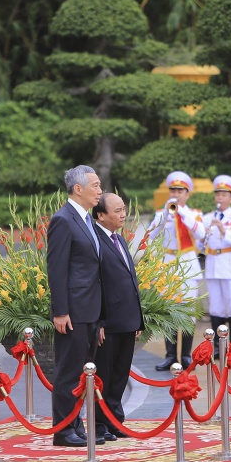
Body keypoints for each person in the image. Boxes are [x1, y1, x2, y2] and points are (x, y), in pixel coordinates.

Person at [46, 165, 104, 447]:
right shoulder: (63, 220)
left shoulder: (86, 219)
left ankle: (76, 424)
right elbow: (57, 269)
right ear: (78, 189)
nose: (100, 191)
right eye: (95, 185)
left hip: (90, 309)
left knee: (85, 370)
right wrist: (60, 310)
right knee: (69, 370)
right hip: (73, 311)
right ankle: (63, 430)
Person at [92, 193, 144, 441]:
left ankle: (115, 420)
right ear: (101, 215)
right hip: (108, 322)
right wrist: (99, 320)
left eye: (124, 209)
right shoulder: (94, 241)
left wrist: (138, 318)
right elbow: (94, 283)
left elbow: (130, 280)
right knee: (104, 373)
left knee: (120, 374)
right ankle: (99, 424)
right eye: (118, 210)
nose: (123, 214)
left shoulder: (119, 240)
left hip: (126, 319)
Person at [147, 171, 205, 370]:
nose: (176, 194)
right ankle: (170, 355)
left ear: (187, 194)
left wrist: (182, 212)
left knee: (188, 309)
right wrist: (165, 214)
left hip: (187, 261)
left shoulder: (194, 214)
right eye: (173, 190)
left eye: (180, 190)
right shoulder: (161, 213)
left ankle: (186, 355)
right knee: (169, 310)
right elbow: (151, 236)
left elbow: (200, 233)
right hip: (168, 262)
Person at [202, 175, 231, 345]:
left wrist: (223, 230)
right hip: (213, 265)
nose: (220, 198)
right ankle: (217, 346)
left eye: (224, 195)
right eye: (218, 194)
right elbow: (200, 244)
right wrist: (203, 236)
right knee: (215, 307)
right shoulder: (207, 218)